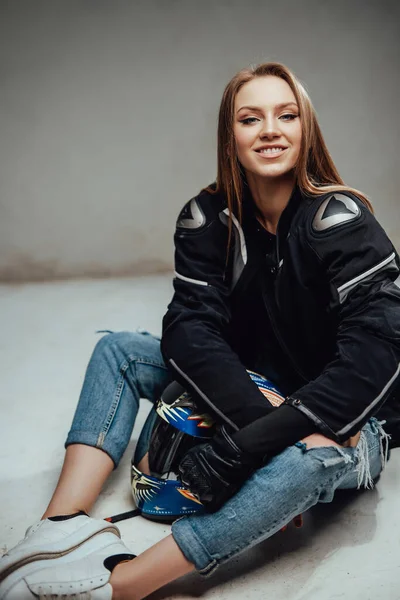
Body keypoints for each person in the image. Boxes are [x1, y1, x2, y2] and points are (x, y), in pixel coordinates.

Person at [1, 61, 399, 600]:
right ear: (229, 135)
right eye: (250, 118)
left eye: (286, 115)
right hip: (256, 388)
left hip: (350, 422)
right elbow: (190, 332)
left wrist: (249, 451)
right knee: (120, 350)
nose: (270, 130)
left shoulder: (341, 220)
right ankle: (58, 529)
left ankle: (121, 586)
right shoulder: (208, 218)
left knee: (308, 457)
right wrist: (258, 437)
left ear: (306, 129)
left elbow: (370, 364)